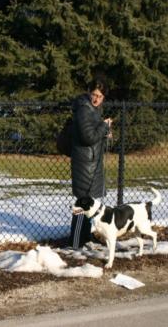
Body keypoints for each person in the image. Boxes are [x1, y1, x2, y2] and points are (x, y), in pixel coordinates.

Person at [69, 80, 112, 249]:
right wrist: (103, 126)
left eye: (100, 96)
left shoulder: (92, 109)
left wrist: (104, 132)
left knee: (89, 202)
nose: (96, 99)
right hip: (84, 163)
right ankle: (75, 242)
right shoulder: (84, 110)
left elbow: (94, 133)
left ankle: (84, 238)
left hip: (91, 161)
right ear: (88, 92)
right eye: (94, 95)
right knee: (82, 202)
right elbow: (88, 137)